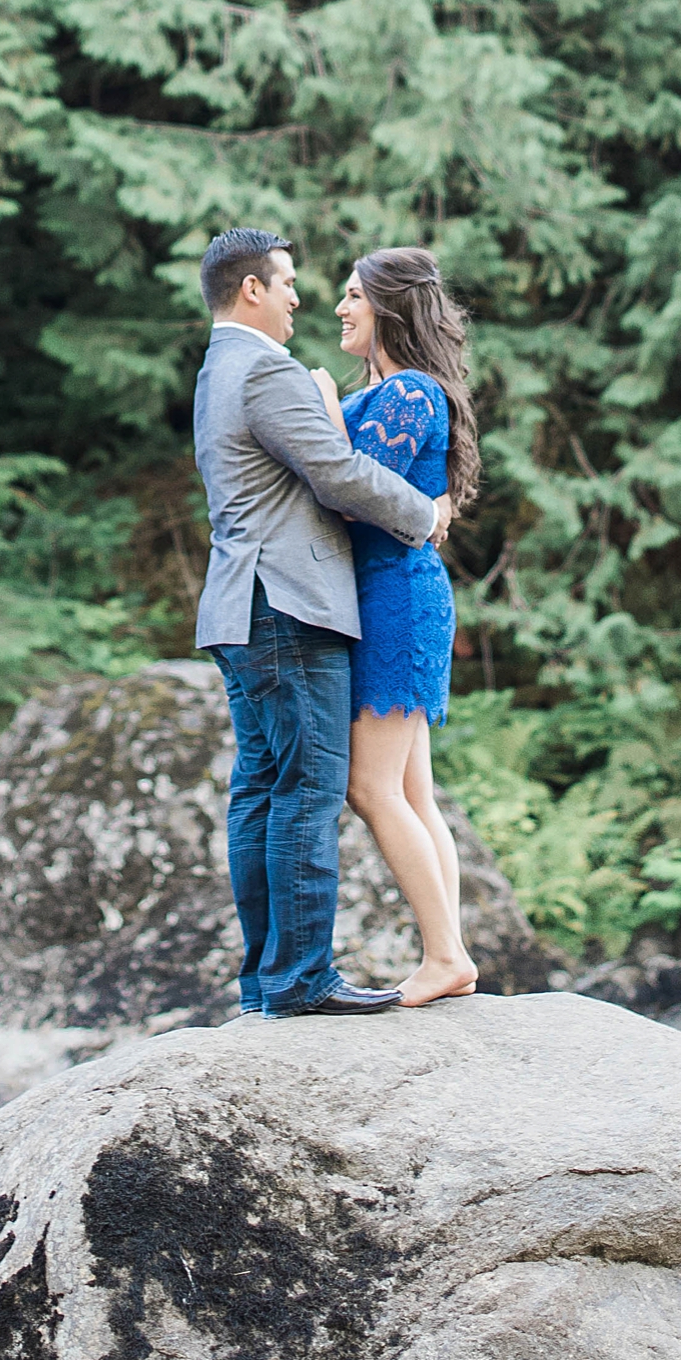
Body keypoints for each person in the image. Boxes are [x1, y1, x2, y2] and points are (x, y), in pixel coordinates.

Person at [192, 225, 457, 1021]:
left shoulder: (218, 369)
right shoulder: (266, 370)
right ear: (252, 290)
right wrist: (428, 512)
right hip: (288, 602)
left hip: (243, 603)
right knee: (308, 788)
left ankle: (266, 981)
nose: (302, 298)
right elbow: (340, 475)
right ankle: (300, 977)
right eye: (288, 283)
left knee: (264, 790)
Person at [312, 244, 480, 1007]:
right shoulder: (388, 391)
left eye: (353, 295)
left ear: (389, 306)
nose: (340, 308)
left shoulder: (409, 392)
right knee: (414, 790)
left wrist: (318, 405)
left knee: (370, 784)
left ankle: (444, 955)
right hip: (393, 591)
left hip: (395, 596)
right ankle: (450, 952)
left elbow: (353, 492)